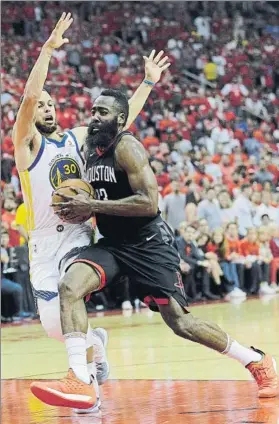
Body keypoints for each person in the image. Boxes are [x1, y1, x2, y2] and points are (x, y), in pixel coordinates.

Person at [30, 88, 278, 409]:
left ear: (119, 119)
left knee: (181, 323)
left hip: (149, 245)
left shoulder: (127, 147)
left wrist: (90, 204)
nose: (94, 117)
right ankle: (80, 377)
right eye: (93, 111)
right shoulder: (90, 150)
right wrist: (86, 206)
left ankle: (256, 360)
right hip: (114, 245)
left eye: (103, 113)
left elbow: (149, 203)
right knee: (69, 286)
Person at [13, 13, 170, 410]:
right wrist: (48, 50)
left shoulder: (78, 140)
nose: (46, 108)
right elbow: (29, 99)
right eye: (41, 105)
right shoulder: (26, 146)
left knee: (72, 291)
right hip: (43, 244)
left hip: (79, 237)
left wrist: (148, 83)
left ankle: (84, 388)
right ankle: (96, 348)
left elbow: (123, 119)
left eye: (52, 103)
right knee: (55, 327)